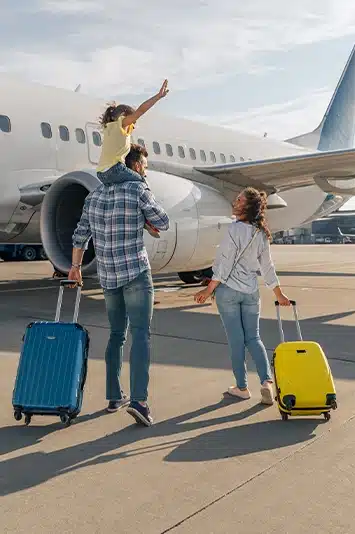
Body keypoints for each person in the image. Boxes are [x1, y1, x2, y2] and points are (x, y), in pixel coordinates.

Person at [68, 145, 170, 427]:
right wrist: (145, 199)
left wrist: (75, 268)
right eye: (145, 167)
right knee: (141, 335)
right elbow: (164, 221)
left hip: (108, 277)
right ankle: (139, 401)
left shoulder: (95, 195)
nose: (146, 170)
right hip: (136, 273)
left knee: (116, 335)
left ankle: (114, 396)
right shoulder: (138, 189)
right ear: (136, 166)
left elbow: (80, 236)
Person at [194, 187, 291, 404]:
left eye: (239, 200)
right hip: (250, 292)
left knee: (236, 341)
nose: (234, 202)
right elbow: (267, 267)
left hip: (228, 292)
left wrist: (208, 289)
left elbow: (225, 263)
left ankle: (241, 387)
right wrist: (279, 293)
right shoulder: (261, 234)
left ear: (247, 206)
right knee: (254, 338)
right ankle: (267, 382)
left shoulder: (234, 230)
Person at [96, 79, 168, 187]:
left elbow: (119, 146)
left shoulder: (109, 128)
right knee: (142, 181)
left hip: (101, 173)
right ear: (125, 117)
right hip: (115, 169)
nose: (133, 126)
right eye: (133, 122)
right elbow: (141, 111)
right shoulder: (122, 123)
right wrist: (158, 97)